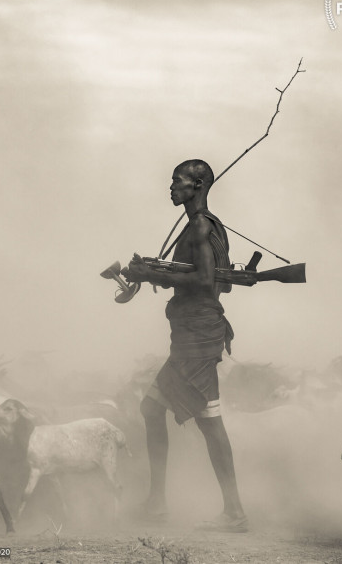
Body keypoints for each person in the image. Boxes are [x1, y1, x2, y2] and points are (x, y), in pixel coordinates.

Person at [123, 158, 247, 533]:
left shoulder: (200, 225)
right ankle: (157, 502)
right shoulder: (203, 225)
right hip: (190, 335)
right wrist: (157, 272)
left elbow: (207, 282)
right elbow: (208, 279)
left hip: (198, 337)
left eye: (177, 181)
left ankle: (235, 513)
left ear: (197, 185)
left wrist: (150, 273)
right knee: (151, 408)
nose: (172, 187)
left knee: (210, 422)